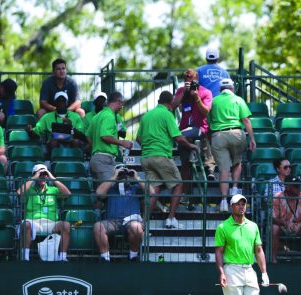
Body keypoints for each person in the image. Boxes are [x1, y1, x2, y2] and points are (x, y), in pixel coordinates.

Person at [214, 193, 269, 295]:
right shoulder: (223, 227)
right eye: (238, 204)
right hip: (231, 270)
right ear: (232, 207)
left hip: (249, 270)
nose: (241, 206)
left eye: (243, 203)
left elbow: (258, 250)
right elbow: (219, 252)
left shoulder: (253, 226)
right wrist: (221, 272)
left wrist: (264, 272)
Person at [137, 91, 197, 229]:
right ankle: (171, 219)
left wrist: (149, 148)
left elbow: (138, 139)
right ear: (170, 104)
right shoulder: (167, 114)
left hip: (146, 157)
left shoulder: (147, 115)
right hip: (161, 156)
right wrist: (191, 145)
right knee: (178, 185)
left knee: (155, 190)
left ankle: (143, 224)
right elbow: (178, 137)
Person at [208, 78, 256, 212]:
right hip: (236, 133)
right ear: (232, 88)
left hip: (218, 135)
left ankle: (223, 201)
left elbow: (209, 122)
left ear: (220, 89)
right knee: (237, 162)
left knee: (223, 169)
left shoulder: (214, 101)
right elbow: (246, 120)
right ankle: (234, 188)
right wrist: (252, 138)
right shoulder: (238, 99)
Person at [17, 164, 72, 262]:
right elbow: (19, 193)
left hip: (51, 223)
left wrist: (52, 178)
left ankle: (62, 257)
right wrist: (34, 178)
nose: (43, 176)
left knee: (66, 225)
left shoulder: (53, 190)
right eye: (40, 174)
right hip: (34, 222)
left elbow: (67, 194)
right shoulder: (29, 189)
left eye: (45, 174)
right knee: (25, 224)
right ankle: (25, 257)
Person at [173, 69, 215, 192]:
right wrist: (183, 92)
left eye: (191, 79)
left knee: (183, 136)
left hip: (200, 129)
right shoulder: (181, 91)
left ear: (196, 79)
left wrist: (196, 98)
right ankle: (186, 194)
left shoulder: (205, 92)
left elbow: (206, 111)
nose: (189, 82)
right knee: (185, 164)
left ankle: (197, 155)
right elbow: (172, 107)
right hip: (184, 130)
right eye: (186, 79)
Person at [94, 164, 145, 262]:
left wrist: (136, 177)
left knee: (137, 227)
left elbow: (151, 192)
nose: (123, 176)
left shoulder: (135, 188)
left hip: (131, 221)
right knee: (98, 227)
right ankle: (105, 257)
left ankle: (133, 255)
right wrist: (114, 176)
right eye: (120, 174)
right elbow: (99, 193)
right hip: (112, 222)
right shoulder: (110, 188)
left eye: (124, 174)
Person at [87, 91, 133, 181]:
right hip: (104, 159)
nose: (121, 108)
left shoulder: (97, 116)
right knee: (108, 189)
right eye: (122, 105)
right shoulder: (109, 115)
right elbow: (104, 136)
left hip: (98, 158)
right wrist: (122, 142)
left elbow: (88, 135)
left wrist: (96, 148)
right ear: (118, 102)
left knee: (104, 191)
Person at [26, 91, 87, 158]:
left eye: (63, 101)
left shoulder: (75, 116)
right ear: (55, 103)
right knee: (53, 142)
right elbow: (36, 131)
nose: (61, 103)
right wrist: (30, 131)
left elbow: (83, 136)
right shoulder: (47, 117)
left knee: (76, 142)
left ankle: (75, 163)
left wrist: (71, 127)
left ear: (66, 103)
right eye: (59, 101)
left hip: (70, 142)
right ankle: (55, 163)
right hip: (54, 143)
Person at [271, 176, 301, 264]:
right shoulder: (278, 197)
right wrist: (285, 223)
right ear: (288, 187)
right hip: (282, 226)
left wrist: (300, 224)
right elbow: (273, 218)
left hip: (298, 226)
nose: (299, 188)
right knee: (274, 228)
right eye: (296, 186)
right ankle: (273, 260)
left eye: (299, 186)